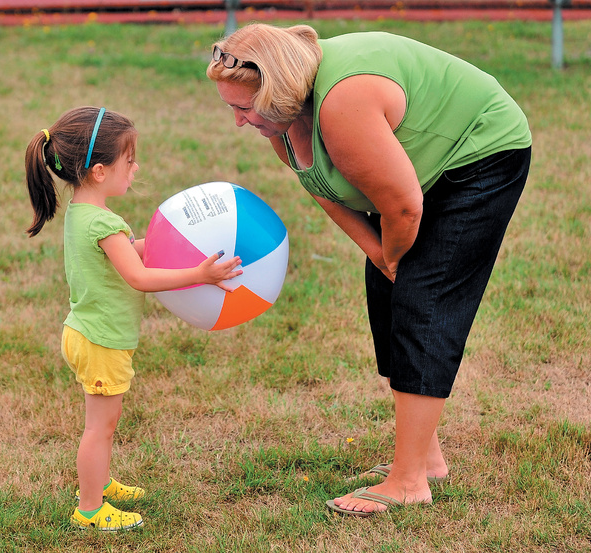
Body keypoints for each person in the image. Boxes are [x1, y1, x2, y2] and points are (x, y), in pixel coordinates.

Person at [207, 24, 531, 516]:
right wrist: (380, 258)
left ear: (278, 92)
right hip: (412, 180)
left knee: (424, 300)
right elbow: (324, 190)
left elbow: (403, 207)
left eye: (243, 108)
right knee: (386, 295)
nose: (237, 121)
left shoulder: (342, 106)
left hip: (482, 152)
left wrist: (398, 258)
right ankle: (426, 460)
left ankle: (408, 483)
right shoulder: (286, 126)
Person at [24, 106, 242, 530]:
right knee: (99, 429)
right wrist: (200, 274)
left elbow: (131, 250)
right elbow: (139, 277)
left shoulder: (83, 214)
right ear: (101, 171)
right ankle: (89, 508)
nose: (135, 167)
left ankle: (100, 481)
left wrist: (178, 244)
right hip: (102, 341)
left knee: (102, 424)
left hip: (88, 332)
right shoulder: (103, 223)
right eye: (130, 160)